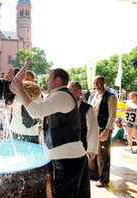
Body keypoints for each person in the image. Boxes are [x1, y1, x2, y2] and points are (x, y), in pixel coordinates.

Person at [10, 67, 90, 197]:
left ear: (57, 81)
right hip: (66, 158)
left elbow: (36, 111)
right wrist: (17, 91)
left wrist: (20, 89)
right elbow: (32, 106)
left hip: (68, 160)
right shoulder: (57, 96)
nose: (46, 83)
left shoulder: (62, 95)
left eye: (48, 80)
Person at [88, 75, 117, 187]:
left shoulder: (110, 97)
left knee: (103, 155)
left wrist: (106, 130)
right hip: (92, 128)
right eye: (94, 82)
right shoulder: (91, 96)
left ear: (104, 82)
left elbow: (112, 115)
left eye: (98, 82)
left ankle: (103, 178)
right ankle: (93, 174)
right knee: (91, 151)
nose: (96, 84)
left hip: (103, 128)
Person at [10, 65, 42, 144]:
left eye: (28, 79)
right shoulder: (15, 92)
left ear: (33, 80)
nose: (25, 80)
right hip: (16, 131)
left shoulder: (37, 95)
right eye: (24, 79)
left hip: (31, 133)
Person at [68, 81, 98, 159]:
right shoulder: (63, 107)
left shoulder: (87, 109)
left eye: (70, 90)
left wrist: (91, 149)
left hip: (81, 148)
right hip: (66, 148)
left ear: (79, 91)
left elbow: (93, 129)